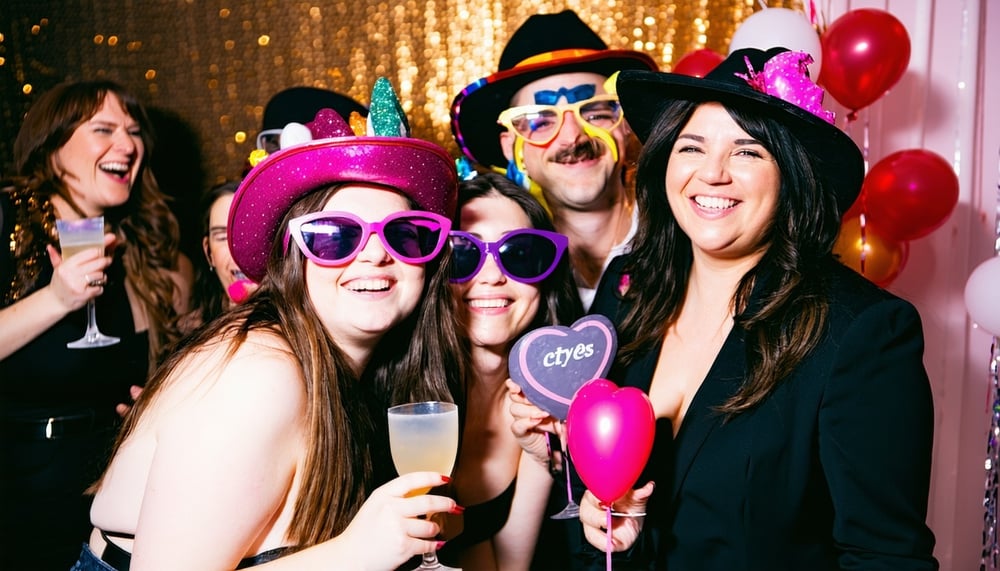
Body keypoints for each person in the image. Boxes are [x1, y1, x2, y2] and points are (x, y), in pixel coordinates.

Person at [558, 47, 937, 569]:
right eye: (691, 147)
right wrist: (601, 528)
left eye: (748, 151)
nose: (712, 174)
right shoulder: (626, 292)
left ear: (790, 177)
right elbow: (590, 513)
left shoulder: (862, 331)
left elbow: (885, 558)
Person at [72, 77, 465, 570]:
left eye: (404, 235)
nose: (374, 255)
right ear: (291, 256)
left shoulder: (365, 371)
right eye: (333, 236)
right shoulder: (260, 372)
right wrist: (358, 552)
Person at [0, 80, 193, 570]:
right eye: (103, 129)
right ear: (51, 145)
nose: (127, 145)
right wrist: (56, 299)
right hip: (19, 492)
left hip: (113, 492)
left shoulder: (138, 247)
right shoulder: (6, 219)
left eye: (132, 132)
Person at [450, 9, 658, 310]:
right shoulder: (503, 277)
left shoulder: (685, 236)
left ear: (625, 127)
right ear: (512, 148)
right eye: (542, 121)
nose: (573, 137)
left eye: (595, 113)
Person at [436, 172, 582, 570]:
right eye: (462, 255)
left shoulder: (538, 404)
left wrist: (540, 460)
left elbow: (509, 564)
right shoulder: (396, 401)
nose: (491, 276)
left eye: (519, 255)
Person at [178, 180, 258, 332]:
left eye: (250, 234)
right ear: (209, 253)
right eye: (223, 237)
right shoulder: (190, 335)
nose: (238, 250)